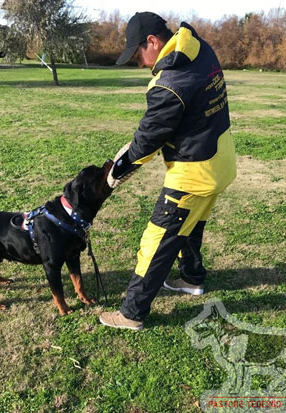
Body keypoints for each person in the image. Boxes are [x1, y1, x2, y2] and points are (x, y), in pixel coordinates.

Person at [100, 12, 236, 330]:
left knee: (156, 240)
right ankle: (191, 279)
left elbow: (149, 139)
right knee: (190, 226)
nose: (140, 63)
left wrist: (117, 169)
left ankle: (132, 313)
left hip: (195, 171)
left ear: (152, 42)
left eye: (138, 55)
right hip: (220, 159)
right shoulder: (200, 48)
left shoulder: (169, 84)